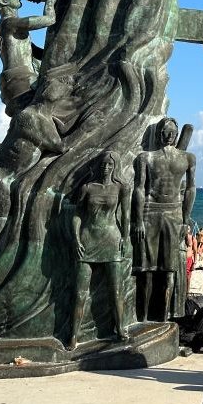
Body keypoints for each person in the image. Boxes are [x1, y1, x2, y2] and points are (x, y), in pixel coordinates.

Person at [133, 116, 197, 321]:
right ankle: (142, 316)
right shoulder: (146, 158)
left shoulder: (187, 158)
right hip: (150, 212)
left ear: (177, 134)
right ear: (159, 134)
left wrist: (186, 219)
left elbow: (190, 188)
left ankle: (164, 315)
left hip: (174, 213)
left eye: (172, 133)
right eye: (165, 132)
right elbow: (139, 189)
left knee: (169, 269)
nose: (169, 136)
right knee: (146, 268)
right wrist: (138, 220)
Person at [68, 150, 130, 350]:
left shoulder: (121, 188)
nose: (106, 168)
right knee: (80, 293)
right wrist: (76, 239)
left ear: (115, 167)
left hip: (112, 240)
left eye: (110, 165)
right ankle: (73, 335)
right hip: (88, 241)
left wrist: (126, 237)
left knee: (116, 290)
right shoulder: (87, 187)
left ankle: (120, 329)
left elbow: (127, 215)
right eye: (103, 164)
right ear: (97, 166)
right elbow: (77, 215)